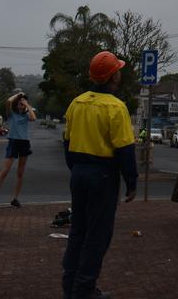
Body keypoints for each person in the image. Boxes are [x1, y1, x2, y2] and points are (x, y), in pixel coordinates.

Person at [61, 52, 137, 299]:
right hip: (103, 174)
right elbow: (125, 149)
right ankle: (84, 289)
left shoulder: (77, 102)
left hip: (79, 172)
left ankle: (69, 284)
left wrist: (77, 168)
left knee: (78, 231)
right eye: (118, 69)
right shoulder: (116, 107)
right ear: (113, 75)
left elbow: (67, 142)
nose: (120, 72)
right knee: (98, 234)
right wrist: (131, 181)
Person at [0, 90, 37, 209]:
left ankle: (15, 198)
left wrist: (27, 104)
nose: (21, 105)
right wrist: (19, 95)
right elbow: (8, 101)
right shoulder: (11, 114)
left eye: (23, 103)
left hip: (24, 142)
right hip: (13, 142)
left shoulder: (25, 116)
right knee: (5, 171)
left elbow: (33, 118)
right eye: (19, 103)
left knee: (20, 172)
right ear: (16, 104)